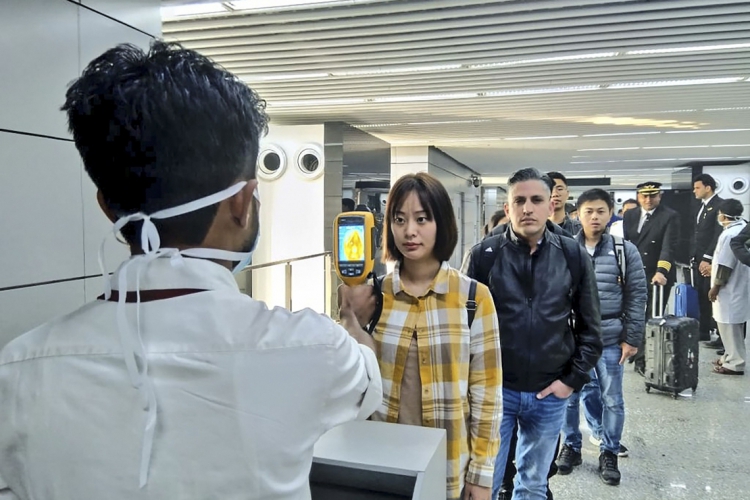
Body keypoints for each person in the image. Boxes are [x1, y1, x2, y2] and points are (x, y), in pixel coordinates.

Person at [0, 41, 382, 499]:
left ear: (108, 208)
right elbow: (366, 377)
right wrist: (352, 317)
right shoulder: (312, 348)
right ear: (242, 203)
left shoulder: (18, 371)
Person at [352, 172, 502, 500]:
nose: (409, 231)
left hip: (449, 470)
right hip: (381, 466)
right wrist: (349, 321)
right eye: (400, 219)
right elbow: (349, 385)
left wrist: (481, 474)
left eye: (422, 219)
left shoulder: (474, 299)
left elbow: (487, 395)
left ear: (441, 223)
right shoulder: (373, 296)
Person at [465, 168, 602, 500]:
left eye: (536, 200)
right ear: (509, 207)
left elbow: (591, 328)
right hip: (496, 392)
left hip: (549, 392)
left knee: (533, 484)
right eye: (519, 201)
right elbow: (462, 327)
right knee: (483, 482)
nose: (528, 208)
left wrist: (570, 380)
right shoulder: (485, 255)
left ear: (550, 206)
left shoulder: (572, 255)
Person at [557, 189, 647, 486]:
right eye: (588, 212)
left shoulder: (625, 250)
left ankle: (608, 450)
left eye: (600, 211)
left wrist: (632, 337)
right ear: (577, 215)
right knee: (569, 396)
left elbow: (637, 296)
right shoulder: (565, 249)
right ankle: (572, 446)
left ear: (611, 213)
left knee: (613, 399)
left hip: (610, 336)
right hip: (572, 337)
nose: (594, 217)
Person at [622, 182, 680, 375]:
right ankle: (634, 350)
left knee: (650, 318)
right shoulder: (630, 215)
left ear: (660, 196)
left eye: (652, 196)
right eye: (644, 196)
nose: (648, 200)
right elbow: (625, 244)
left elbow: (668, 247)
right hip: (633, 273)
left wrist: (661, 271)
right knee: (632, 315)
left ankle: (643, 360)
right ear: (638, 196)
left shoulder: (669, 216)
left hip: (656, 274)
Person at [708, 199, 750, 376]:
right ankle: (729, 356)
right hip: (740, 286)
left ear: (723, 215)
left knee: (728, 325)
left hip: (729, 287)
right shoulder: (742, 228)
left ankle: (735, 363)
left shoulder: (729, 235)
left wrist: (715, 287)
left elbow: (725, 264)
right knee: (733, 325)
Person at [691, 174, 724, 344]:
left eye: (697, 187)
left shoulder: (719, 206)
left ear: (708, 187)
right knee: (702, 296)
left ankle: (720, 335)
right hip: (699, 259)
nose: (694, 191)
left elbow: (717, 235)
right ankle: (703, 330)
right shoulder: (703, 207)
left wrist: (707, 257)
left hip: (711, 260)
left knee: (713, 297)